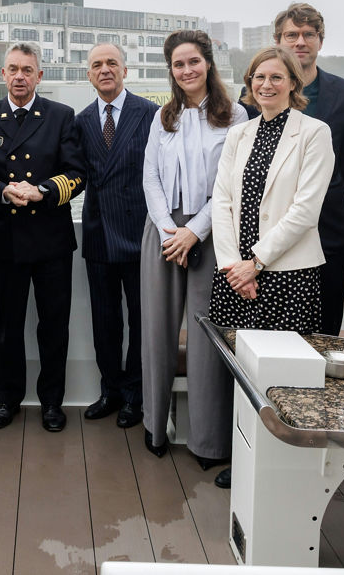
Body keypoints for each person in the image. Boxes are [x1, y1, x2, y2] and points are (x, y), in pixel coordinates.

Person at [210, 47, 333, 488]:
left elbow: (305, 210)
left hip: (286, 274)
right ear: (249, 82)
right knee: (243, 374)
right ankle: (245, 461)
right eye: (259, 77)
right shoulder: (239, 135)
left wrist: (256, 263)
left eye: (277, 77)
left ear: (293, 84)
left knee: (284, 377)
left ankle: (283, 468)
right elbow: (221, 201)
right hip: (234, 275)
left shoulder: (314, 133)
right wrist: (232, 266)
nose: (266, 85)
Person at [140, 31, 246, 474]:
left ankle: (208, 441)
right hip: (163, 232)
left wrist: (193, 232)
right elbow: (150, 177)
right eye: (178, 64)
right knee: (157, 332)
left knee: (207, 338)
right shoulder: (163, 115)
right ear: (171, 70)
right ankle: (155, 426)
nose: (187, 70)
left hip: (211, 231)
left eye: (194, 62)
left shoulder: (235, 114)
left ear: (208, 64)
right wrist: (169, 229)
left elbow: (231, 184)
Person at [0, 41, 85, 432]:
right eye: (12, 69)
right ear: (2, 74)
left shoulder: (60, 116)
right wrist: (3, 190)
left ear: (40, 75)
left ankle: (52, 402)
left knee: (53, 326)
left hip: (51, 239)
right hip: (5, 239)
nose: (19, 76)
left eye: (27, 70)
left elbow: (76, 173)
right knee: (7, 326)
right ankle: (8, 400)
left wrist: (43, 191)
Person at [75, 42, 157, 429]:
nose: (104, 69)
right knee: (105, 321)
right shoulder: (82, 120)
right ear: (88, 74)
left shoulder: (151, 115)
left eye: (112, 63)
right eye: (96, 65)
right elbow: (76, 175)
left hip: (141, 234)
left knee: (141, 321)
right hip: (98, 234)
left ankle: (135, 395)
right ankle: (109, 389)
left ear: (125, 70)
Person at [274, 3, 344, 337]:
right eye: (291, 34)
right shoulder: (259, 94)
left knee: (326, 333)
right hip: (273, 232)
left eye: (308, 34)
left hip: (329, 231)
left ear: (320, 41)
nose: (300, 41)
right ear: (278, 41)